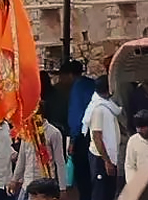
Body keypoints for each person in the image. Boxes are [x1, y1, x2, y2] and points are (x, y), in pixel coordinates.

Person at [10, 103, 67, 200]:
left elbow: (60, 162)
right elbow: (22, 159)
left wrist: (62, 188)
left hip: (45, 187)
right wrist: (14, 180)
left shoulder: (53, 133)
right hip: (27, 184)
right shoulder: (26, 132)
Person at [62, 60, 96, 200]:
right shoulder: (92, 84)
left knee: (82, 173)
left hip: (83, 135)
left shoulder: (77, 88)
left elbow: (76, 116)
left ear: (69, 75)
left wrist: (72, 140)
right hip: (95, 132)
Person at [84, 75, 120, 200]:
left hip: (108, 156)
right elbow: (97, 137)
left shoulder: (108, 105)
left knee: (109, 192)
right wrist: (107, 161)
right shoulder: (98, 109)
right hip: (100, 157)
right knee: (101, 193)